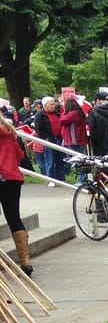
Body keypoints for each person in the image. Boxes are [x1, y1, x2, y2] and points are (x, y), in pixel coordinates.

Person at [1, 115, 33, 274]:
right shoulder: (9, 131)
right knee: (14, 217)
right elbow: (19, 155)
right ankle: (25, 260)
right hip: (12, 178)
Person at [32, 96, 62, 182]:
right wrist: (44, 138)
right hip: (49, 140)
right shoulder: (39, 115)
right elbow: (38, 129)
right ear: (45, 105)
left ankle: (60, 177)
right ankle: (51, 179)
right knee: (50, 160)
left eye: (54, 103)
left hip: (59, 138)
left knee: (59, 159)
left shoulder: (56, 113)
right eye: (51, 104)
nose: (54, 106)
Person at [59, 97, 90, 166]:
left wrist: (64, 112)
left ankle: (81, 176)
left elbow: (61, 120)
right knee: (80, 158)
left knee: (76, 160)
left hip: (73, 140)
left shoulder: (73, 114)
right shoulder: (80, 112)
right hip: (80, 139)